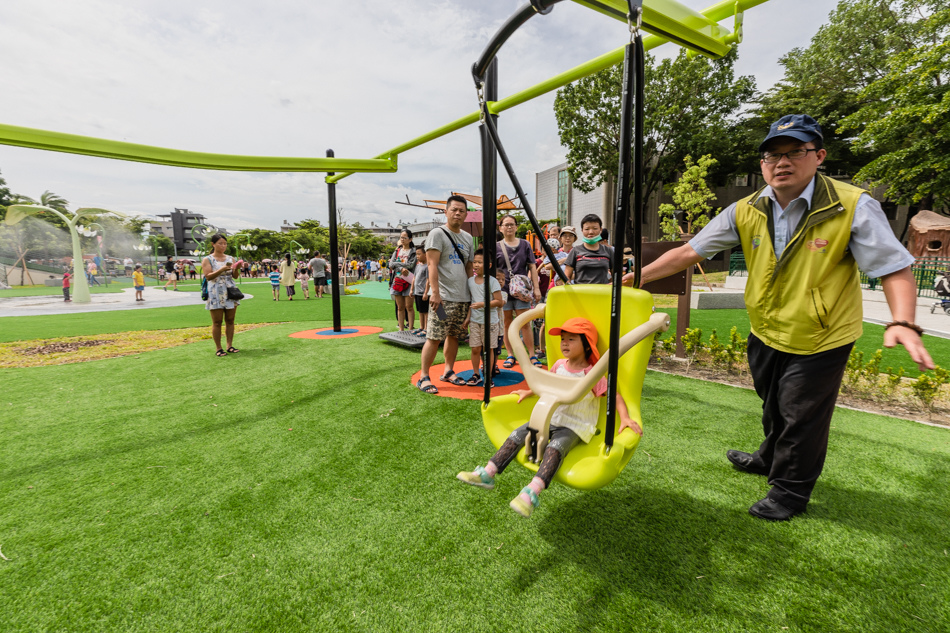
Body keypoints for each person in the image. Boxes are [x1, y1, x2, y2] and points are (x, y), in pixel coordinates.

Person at [623, 113, 934, 521]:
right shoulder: (746, 209)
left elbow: (893, 267)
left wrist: (903, 322)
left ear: (818, 156)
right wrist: (636, 278)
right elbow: (689, 252)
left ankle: (790, 491)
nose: (782, 162)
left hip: (822, 335)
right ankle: (770, 457)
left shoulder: (852, 205)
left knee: (800, 415)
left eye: (795, 152)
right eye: (772, 156)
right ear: (762, 165)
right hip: (766, 329)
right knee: (772, 405)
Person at [457, 317, 641, 517]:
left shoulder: (592, 374)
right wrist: (530, 392)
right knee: (518, 434)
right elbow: (546, 384)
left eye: (571, 339)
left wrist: (624, 417)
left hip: (575, 425)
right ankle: (488, 473)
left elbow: (614, 394)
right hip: (551, 418)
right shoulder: (559, 365)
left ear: (587, 344)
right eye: (563, 338)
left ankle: (531, 493)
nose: (564, 343)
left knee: (555, 448)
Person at [417, 194, 475, 394]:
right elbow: (432, 264)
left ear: (466, 214)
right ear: (446, 211)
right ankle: (424, 376)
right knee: (434, 336)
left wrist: (472, 294)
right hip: (443, 299)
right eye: (454, 210)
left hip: (463, 298)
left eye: (462, 211)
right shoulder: (437, 234)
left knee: (455, 336)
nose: (458, 213)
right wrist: (435, 293)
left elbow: (469, 268)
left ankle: (449, 371)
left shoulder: (468, 238)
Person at [496, 214, 542, 369]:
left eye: (512, 224)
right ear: (500, 228)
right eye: (506, 224)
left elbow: (532, 266)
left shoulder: (525, 244)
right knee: (507, 323)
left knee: (525, 323)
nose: (509, 227)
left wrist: (536, 288)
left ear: (516, 227)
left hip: (522, 290)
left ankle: (531, 354)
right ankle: (510, 354)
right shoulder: (496, 246)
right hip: (503, 290)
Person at [463, 247, 504, 386]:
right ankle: (476, 374)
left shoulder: (492, 281)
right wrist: (468, 318)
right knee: (475, 348)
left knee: (488, 349)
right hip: (475, 321)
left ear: (489, 265)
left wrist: (483, 304)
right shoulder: (470, 281)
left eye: (480, 262)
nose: (476, 265)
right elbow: (471, 303)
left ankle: (488, 375)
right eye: (475, 262)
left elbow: (499, 302)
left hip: (490, 322)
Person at [202, 234, 242, 357]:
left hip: (230, 291)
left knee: (230, 320)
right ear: (213, 244)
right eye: (220, 243)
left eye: (225, 243)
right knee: (217, 321)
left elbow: (235, 276)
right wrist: (221, 270)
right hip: (215, 291)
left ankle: (229, 345)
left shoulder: (230, 258)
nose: (223, 246)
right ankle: (218, 348)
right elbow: (208, 276)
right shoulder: (207, 259)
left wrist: (237, 269)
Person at [563, 214, 613, 285]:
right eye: (587, 229)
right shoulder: (575, 251)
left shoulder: (608, 251)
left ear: (600, 230)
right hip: (581, 294)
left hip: (603, 293)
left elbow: (617, 276)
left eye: (595, 228)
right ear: (582, 230)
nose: (591, 232)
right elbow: (567, 277)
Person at [389, 229, 417, 331]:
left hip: (409, 281)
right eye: (401, 237)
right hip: (397, 281)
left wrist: (397, 264)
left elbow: (411, 265)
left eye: (404, 238)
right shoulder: (397, 251)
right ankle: (401, 329)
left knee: (409, 307)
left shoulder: (414, 252)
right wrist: (401, 268)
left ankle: (410, 328)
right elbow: (391, 265)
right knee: (400, 307)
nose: (402, 240)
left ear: (410, 239)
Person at [412, 244, 430, 335]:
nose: (417, 256)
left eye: (419, 254)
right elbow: (414, 278)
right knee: (420, 310)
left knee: (426, 311)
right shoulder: (418, 266)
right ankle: (421, 326)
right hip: (417, 292)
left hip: (423, 292)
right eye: (416, 254)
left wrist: (426, 293)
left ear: (425, 254)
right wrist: (412, 290)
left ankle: (426, 328)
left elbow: (428, 280)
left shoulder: (427, 266)